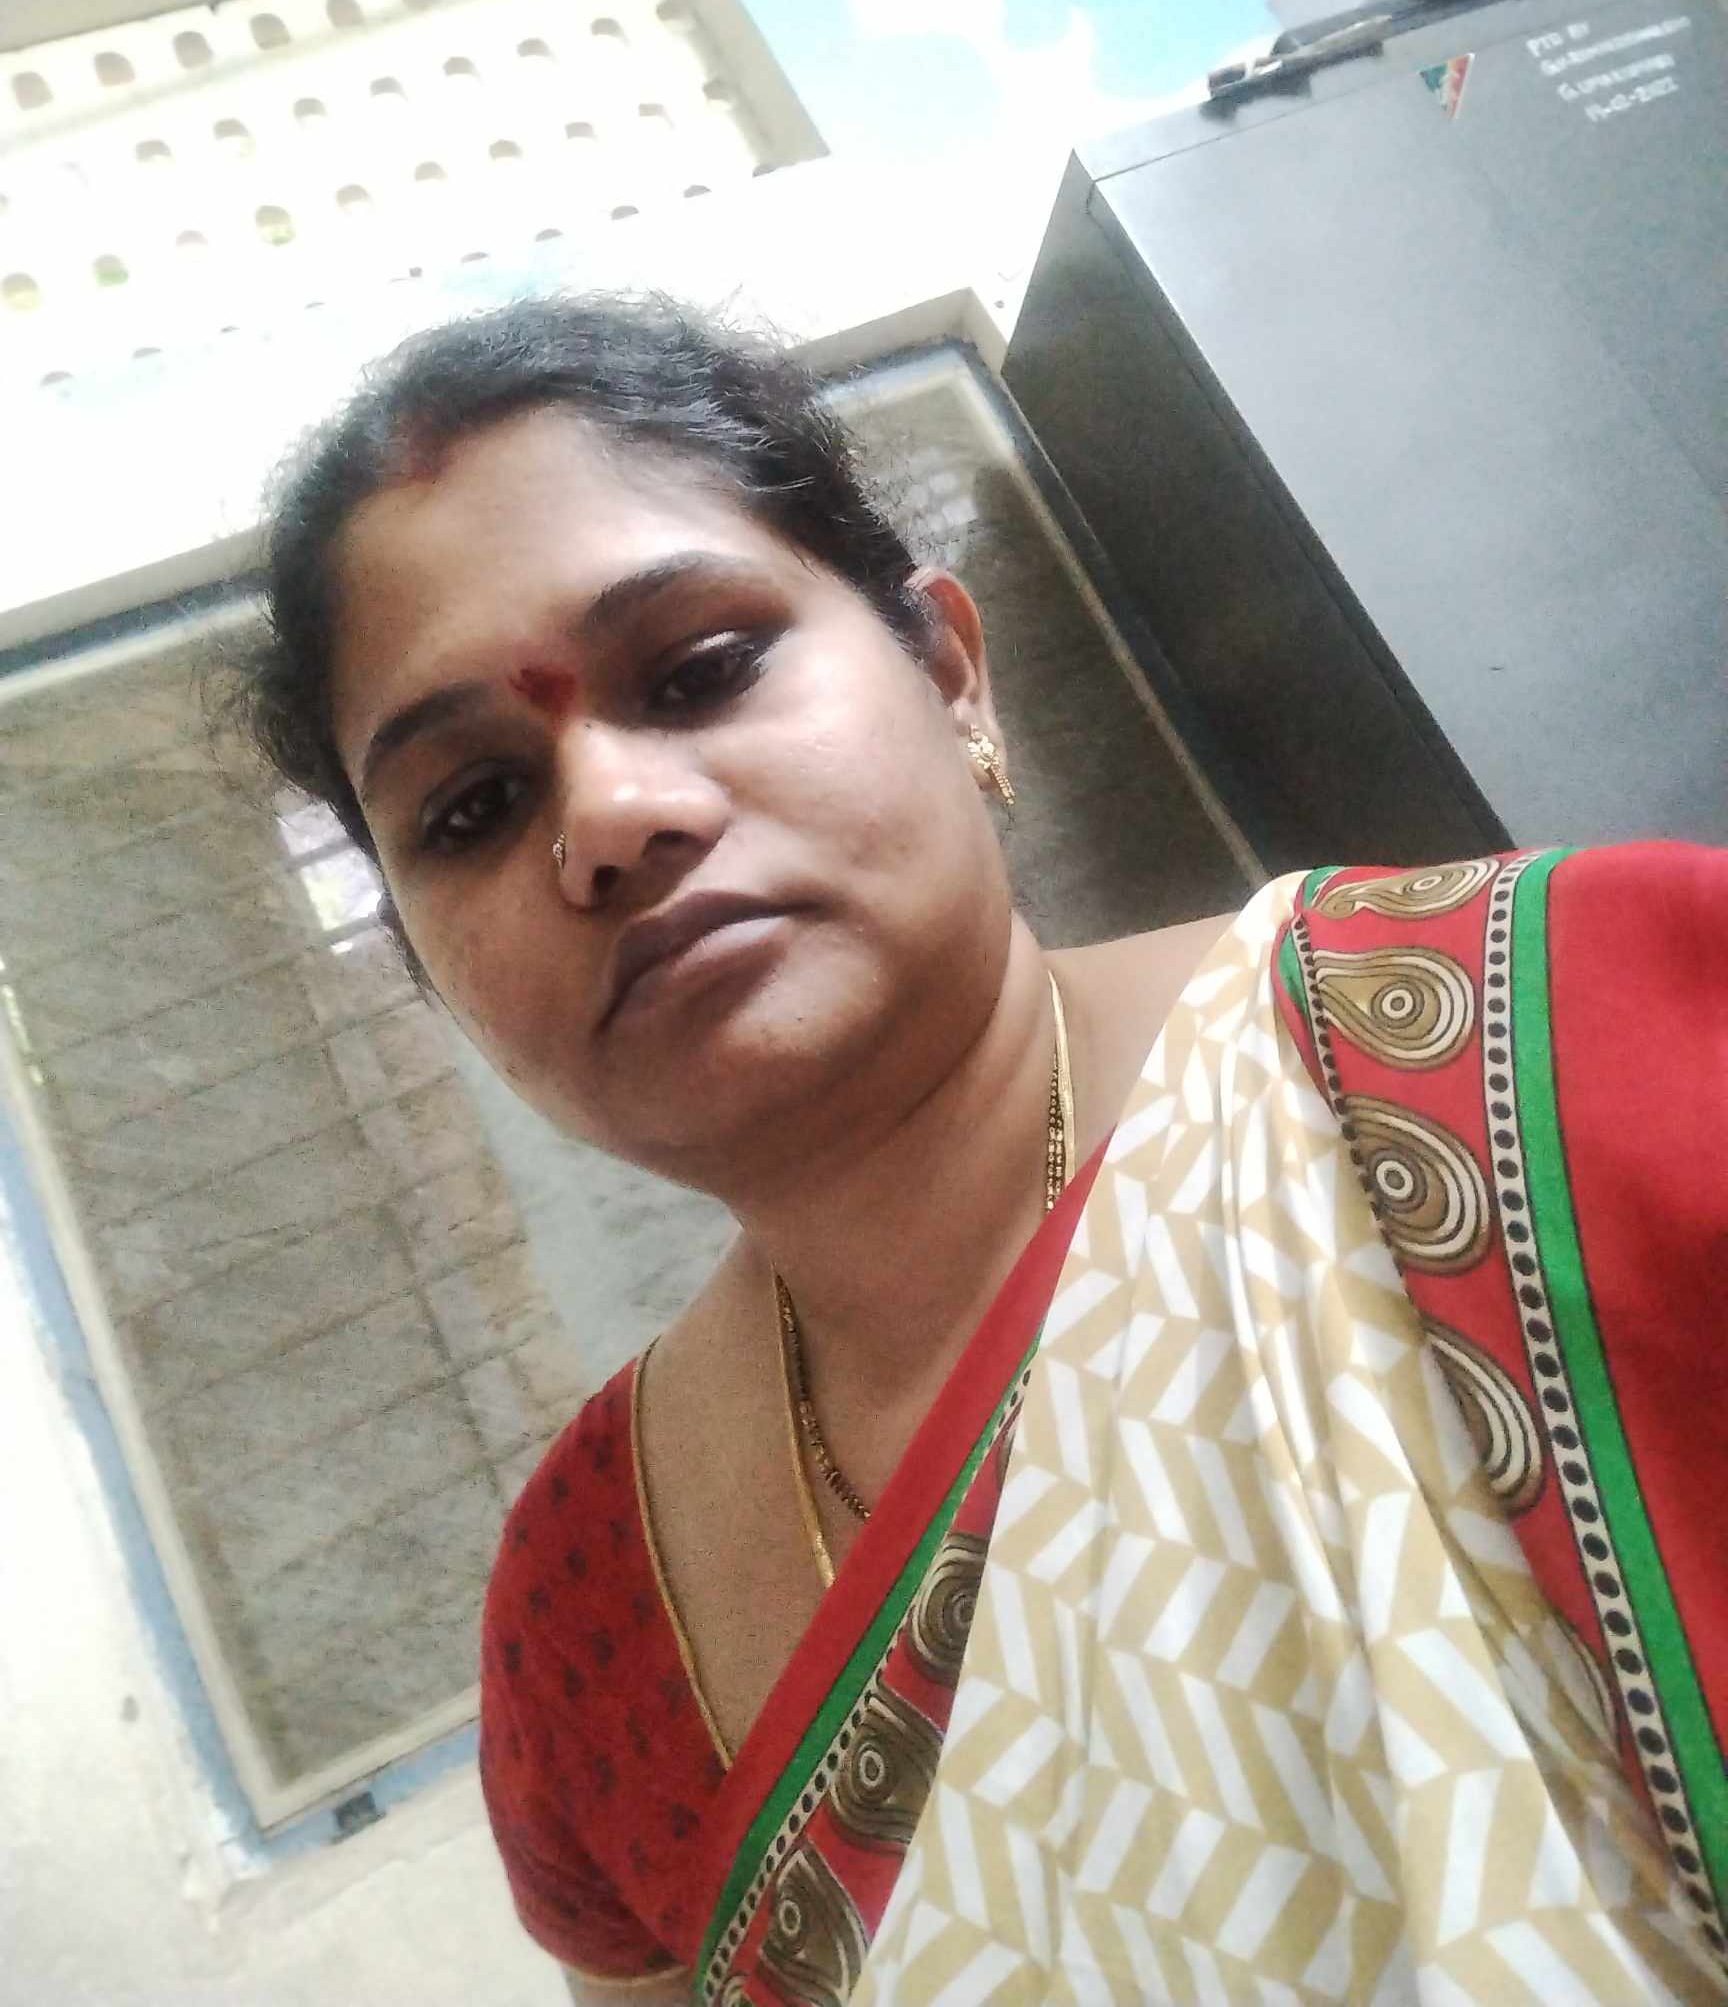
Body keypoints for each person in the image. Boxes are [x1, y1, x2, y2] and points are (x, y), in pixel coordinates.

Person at [229, 294, 1727, 2005]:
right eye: (473, 807)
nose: (610, 820)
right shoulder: (589, 1620)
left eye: (702, 670)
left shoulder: (1576, 1030)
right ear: (430, 971)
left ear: (949, 674)